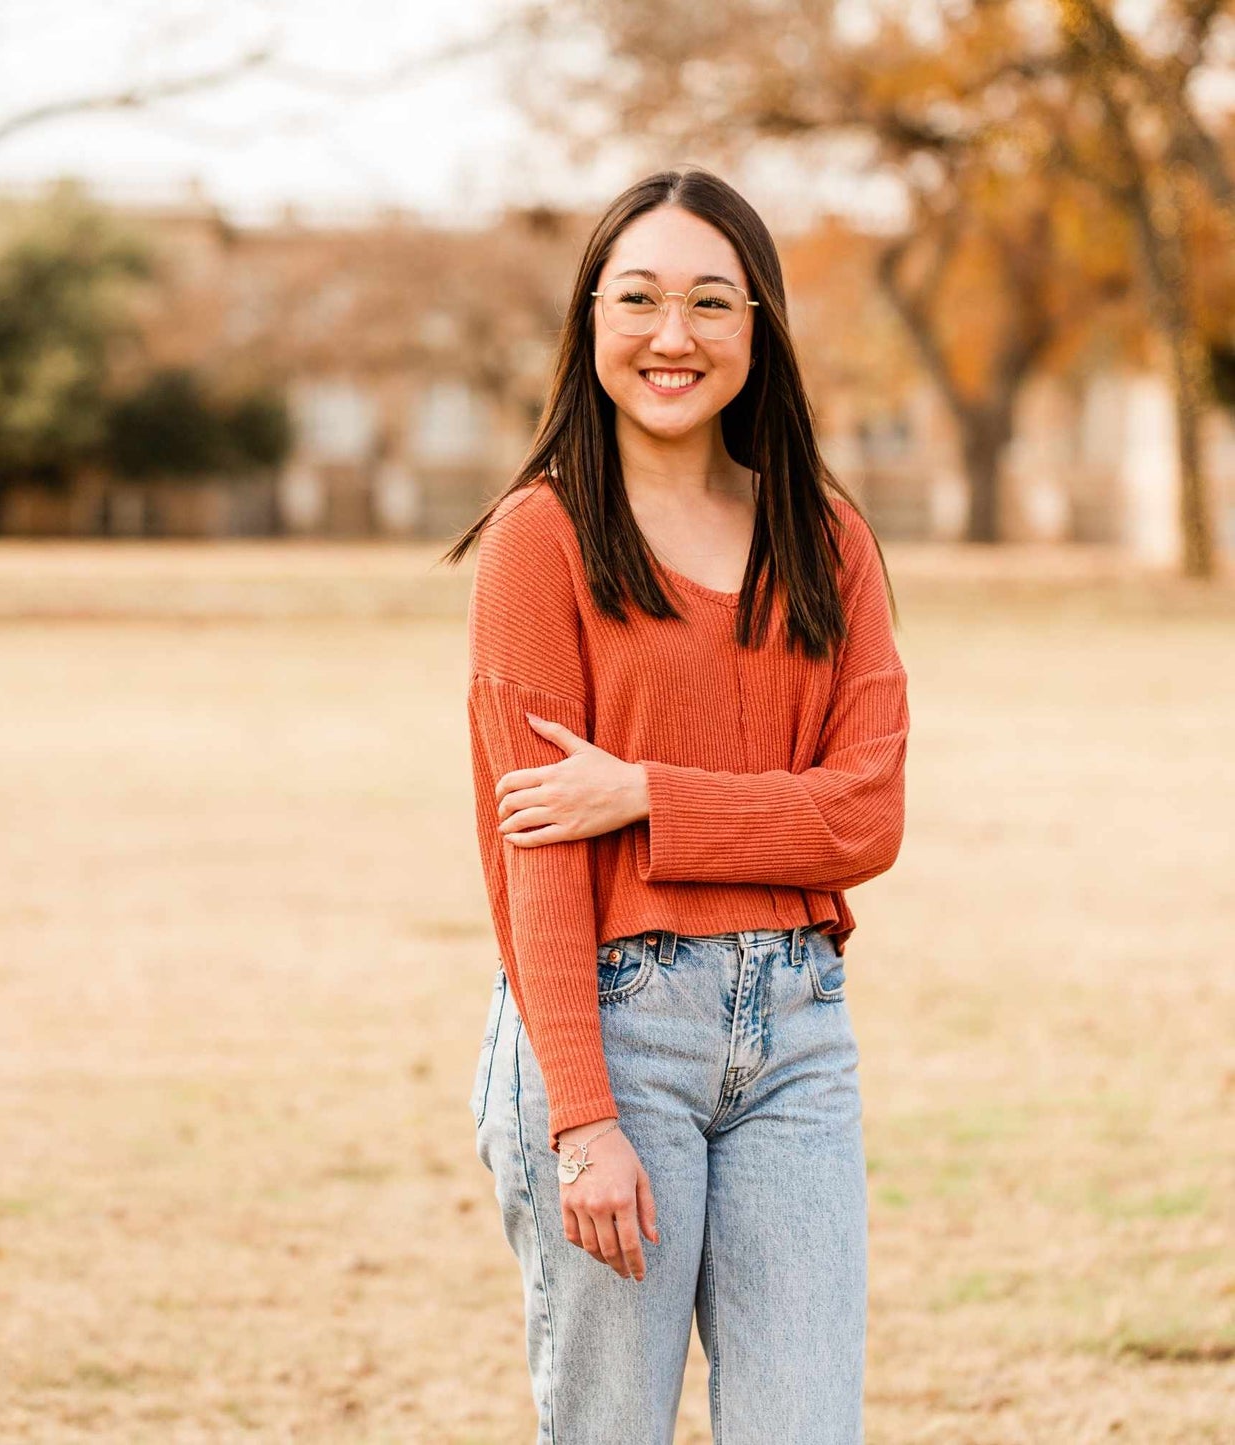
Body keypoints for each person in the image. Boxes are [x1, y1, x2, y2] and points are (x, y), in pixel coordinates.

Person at [439, 165, 910, 1444]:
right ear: (589, 319)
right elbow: (532, 855)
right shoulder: (538, 541)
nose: (672, 335)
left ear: (757, 329)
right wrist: (582, 1119)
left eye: (712, 301)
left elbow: (862, 817)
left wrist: (641, 793)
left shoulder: (827, 538)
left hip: (798, 1036)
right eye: (636, 297)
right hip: (607, 1024)